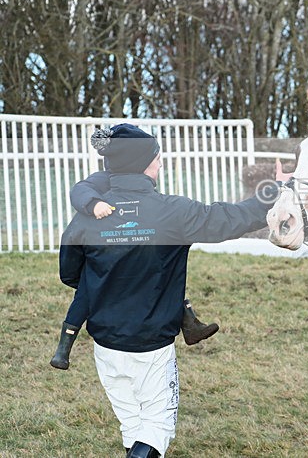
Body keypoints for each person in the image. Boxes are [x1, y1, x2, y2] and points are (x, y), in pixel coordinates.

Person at [58, 124, 278, 458]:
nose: (160, 163)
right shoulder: (174, 212)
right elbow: (233, 218)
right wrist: (277, 191)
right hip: (152, 347)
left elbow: (70, 273)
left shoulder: (87, 216)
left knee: (133, 425)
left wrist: (110, 283)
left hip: (105, 345)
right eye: (156, 158)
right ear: (144, 164)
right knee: (155, 428)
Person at [50, 128, 219, 371]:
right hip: (103, 256)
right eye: (156, 158)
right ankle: (64, 348)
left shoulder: (136, 182)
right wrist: (93, 203)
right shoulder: (105, 179)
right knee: (88, 290)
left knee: (160, 270)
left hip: (122, 255)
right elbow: (79, 190)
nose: (160, 165)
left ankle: (190, 324)